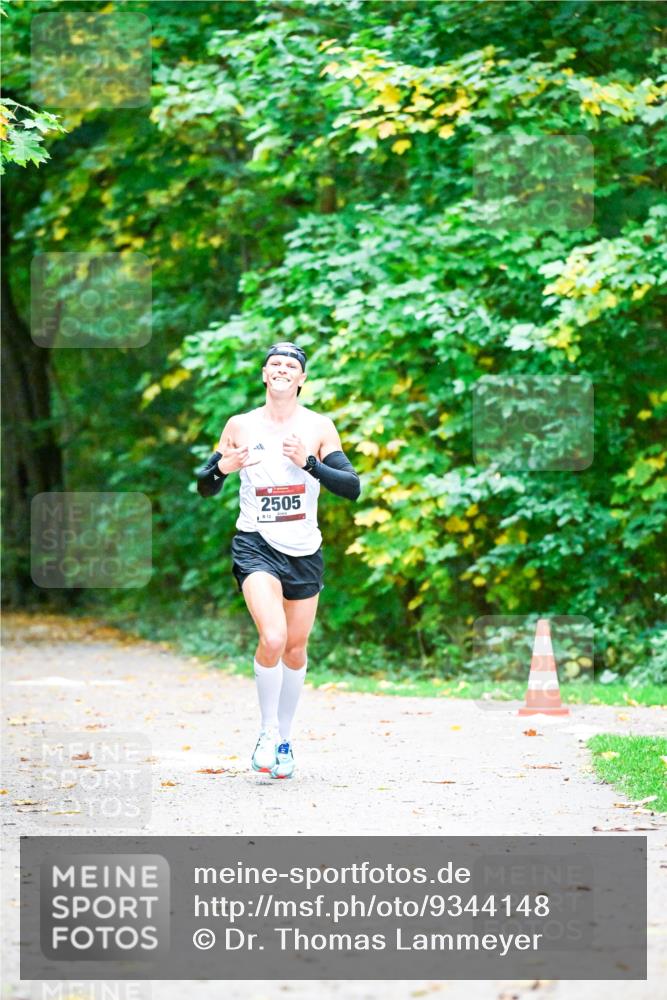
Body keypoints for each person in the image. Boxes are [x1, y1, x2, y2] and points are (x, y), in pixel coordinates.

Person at [195, 342, 360, 779]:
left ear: (302, 379)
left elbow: (352, 487)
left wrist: (310, 464)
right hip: (256, 544)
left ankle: (285, 739)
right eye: (275, 364)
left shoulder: (318, 427)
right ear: (265, 375)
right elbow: (205, 485)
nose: (282, 369)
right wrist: (222, 469)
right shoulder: (241, 425)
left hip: (304, 550)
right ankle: (266, 731)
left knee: (295, 648)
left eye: (291, 365)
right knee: (272, 637)